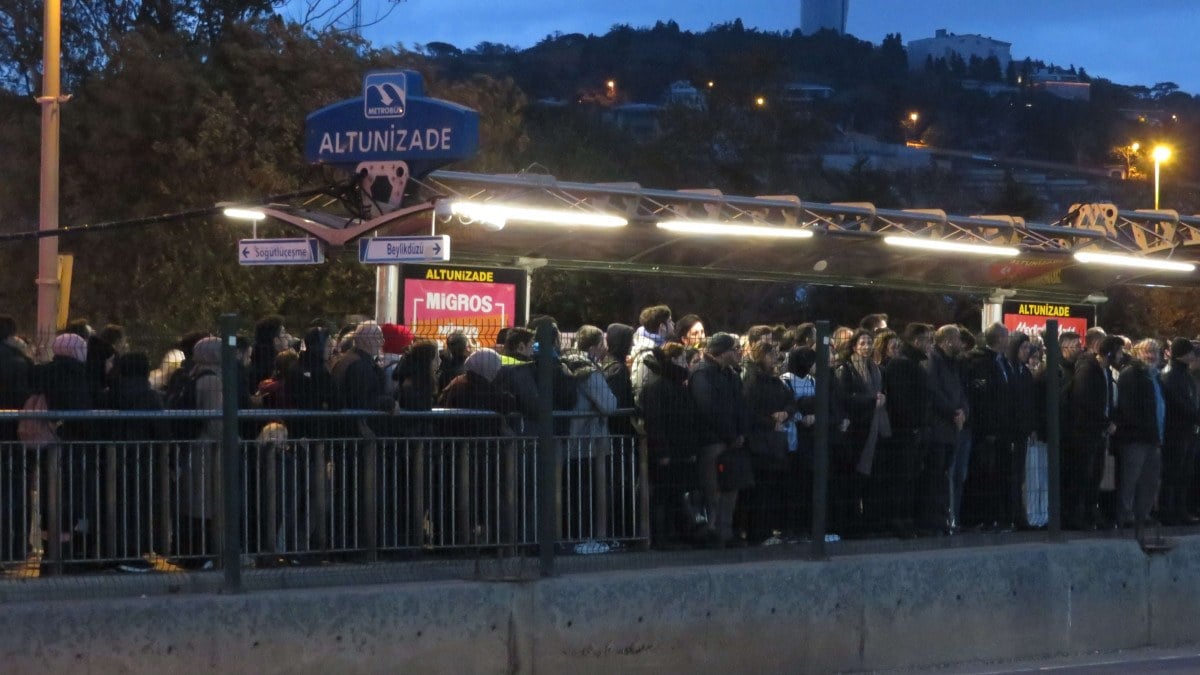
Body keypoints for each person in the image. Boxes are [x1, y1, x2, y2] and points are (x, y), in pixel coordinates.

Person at [690, 332, 750, 547]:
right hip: (712, 441)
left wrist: (739, 434)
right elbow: (709, 409)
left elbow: (741, 406)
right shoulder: (702, 374)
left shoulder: (730, 374)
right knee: (713, 490)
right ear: (723, 352)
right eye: (735, 349)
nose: (739, 352)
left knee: (731, 488)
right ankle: (713, 532)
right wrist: (731, 435)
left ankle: (726, 532)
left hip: (731, 440)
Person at [641, 342, 702, 548]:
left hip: (679, 451)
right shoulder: (659, 389)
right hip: (669, 452)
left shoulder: (672, 388)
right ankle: (663, 536)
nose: (685, 363)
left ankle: (674, 534)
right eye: (682, 359)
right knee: (664, 495)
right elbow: (655, 423)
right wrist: (662, 452)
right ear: (674, 360)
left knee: (673, 494)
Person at [836, 328, 890, 535]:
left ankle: (871, 521)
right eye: (862, 343)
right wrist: (871, 400)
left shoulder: (876, 369)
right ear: (854, 346)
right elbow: (845, 397)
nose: (867, 347)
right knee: (854, 477)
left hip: (875, 428)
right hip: (857, 429)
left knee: (872, 478)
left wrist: (880, 398)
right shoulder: (846, 368)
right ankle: (852, 525)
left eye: (869, 343)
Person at [741, 340, 795, 545]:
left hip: (775, 442)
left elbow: (791, 402)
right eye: (772, 354)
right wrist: (770, 422)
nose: (776, 358)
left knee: (771, 489)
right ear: (762, 356)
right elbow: (750, 412)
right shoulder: (753, 381)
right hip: (761, 443)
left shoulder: (777, 380)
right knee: (760, 491)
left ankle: (767, 530)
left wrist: (786, 413)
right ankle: (758, 533)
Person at [964, 323, 1017, 531]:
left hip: (1003, 431)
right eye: (1007, 336)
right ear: (999, 339)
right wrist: (989, 429)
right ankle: (983, 517)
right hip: (988, 432)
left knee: (1001, 474)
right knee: (985, 474)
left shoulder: (1003, 362)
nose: (1009, 340)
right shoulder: (981, 362)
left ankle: (997, 516)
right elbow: (984, 399)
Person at [1066, 335, 1121, 530]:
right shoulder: (1089, 369)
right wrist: (1105, 422)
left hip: (1099, 432)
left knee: (1095, 474)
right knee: (1083, 474)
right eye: (1118, 352)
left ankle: (1090, 512)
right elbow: (1084, 400)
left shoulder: (1105, 372)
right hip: (1086, 432)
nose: (1121, 356)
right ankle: (1077, 515)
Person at [883, 323, 932, 537]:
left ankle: (906, 520)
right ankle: (899, 521)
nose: (930, 345)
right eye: (928, 340)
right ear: (917, 341)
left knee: (910, 478)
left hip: (913, 431)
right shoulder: (903, 365)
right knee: (901, 479)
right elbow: (902, 401)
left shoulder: (911, 364)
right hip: (904, 433)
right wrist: (913, 424)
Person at [1114, 339, 1165, 529]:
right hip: (1135, 437)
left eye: (1154, 352)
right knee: (1130, 478)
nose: (1151, 356)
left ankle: (1143, 514)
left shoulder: (1156, 376)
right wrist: (1141, 427)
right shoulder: (1130, 374)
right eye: (1147, 352)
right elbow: (1127, 407)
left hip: (1154, 437)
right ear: (1138, 353)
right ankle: (1126, 515)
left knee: (1149, 479)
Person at [926, 325, 968, 533]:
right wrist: (954, 412)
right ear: (947, 341)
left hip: (951, 428)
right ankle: (935, 520)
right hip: (939, 428)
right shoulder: (934, 360)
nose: (961, 343)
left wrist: (963, 412)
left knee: (945, 474)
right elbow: (933, 390)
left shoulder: (953, 363)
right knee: (937, 476)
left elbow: (959, 391)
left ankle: (943, 519)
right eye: (958, 338)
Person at [1158, 338, 1199, 524]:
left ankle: (1180, 510)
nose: (1193, 355)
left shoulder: (1185, 375)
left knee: (1185, 472)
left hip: (1187, 431)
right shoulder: (1171, 375)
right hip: (1176, 432)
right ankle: (1168, 510)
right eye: (1190, 352)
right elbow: (1180, 404)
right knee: (1173, 472)